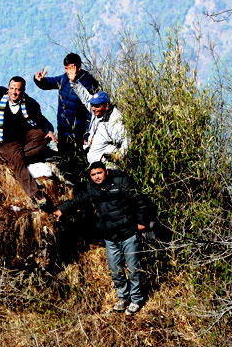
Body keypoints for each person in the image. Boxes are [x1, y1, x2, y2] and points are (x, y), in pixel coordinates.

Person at [53, 161, 151, 315]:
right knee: (115, 270)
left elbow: (140, 200)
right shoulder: (92, 188)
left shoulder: (121, 181)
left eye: (99, 173)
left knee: (133, 270)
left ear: (105, 171)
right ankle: (123, 298)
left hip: (128, 233)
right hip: (110, 237)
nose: (97, 177)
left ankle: (136, 300)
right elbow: (79, 199)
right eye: (93, 175)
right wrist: (62, 210)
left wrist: (142, 223)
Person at [0, 56, 56, 200]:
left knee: (42, 135)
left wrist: (49, 130)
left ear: (22, 91)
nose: (14, 92)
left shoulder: (29, 104)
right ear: (8, 88)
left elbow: (40, 119)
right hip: (3, 141)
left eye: (17, 90)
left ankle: (14, 157)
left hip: (21, 138)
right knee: (18, 160)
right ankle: (35, 193)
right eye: (12, 88)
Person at [34, 53, 99, 164]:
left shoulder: (89, 83)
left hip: (78, 133)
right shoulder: (64, 79)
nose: (68, 71)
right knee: (64, 161)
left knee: (78, 163)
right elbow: (49, 83)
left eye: (70, 68)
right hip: (63, 130)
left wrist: (87, 134)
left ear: (78, 67)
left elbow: (92, 112)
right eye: (66, 68)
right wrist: (39, 80)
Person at [69, 88, 129, 164]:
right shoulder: (98, 112)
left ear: (106, 105)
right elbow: (85, 96)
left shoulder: (114, 120)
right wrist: (74, 82)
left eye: (97, 105)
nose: (93, 108)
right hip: (93, 163)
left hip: (106, 166)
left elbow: (126, 140)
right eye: (92, 105)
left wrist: (119, 155)